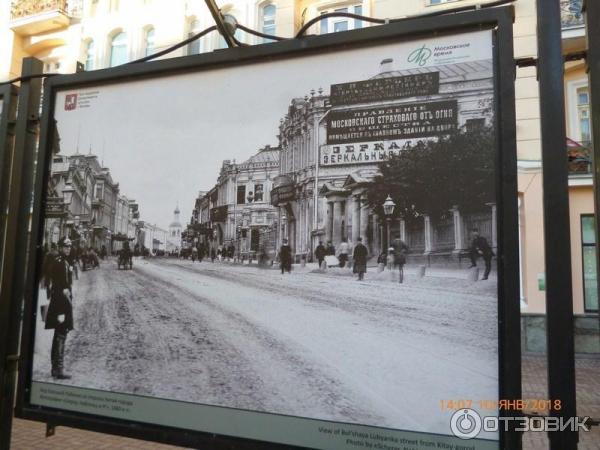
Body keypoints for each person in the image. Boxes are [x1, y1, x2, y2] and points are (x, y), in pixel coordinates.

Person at [45, 237, 75, 379]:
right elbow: (57, 287)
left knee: (60, 335)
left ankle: (55, 368)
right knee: (60, 336)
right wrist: (62, 310)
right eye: (65, 246)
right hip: (61, 304)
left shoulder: (64, 262)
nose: (68, 249)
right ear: (60, 247)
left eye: (69, 246)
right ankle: (58, 369)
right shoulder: (59, 263)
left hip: (64, 303)